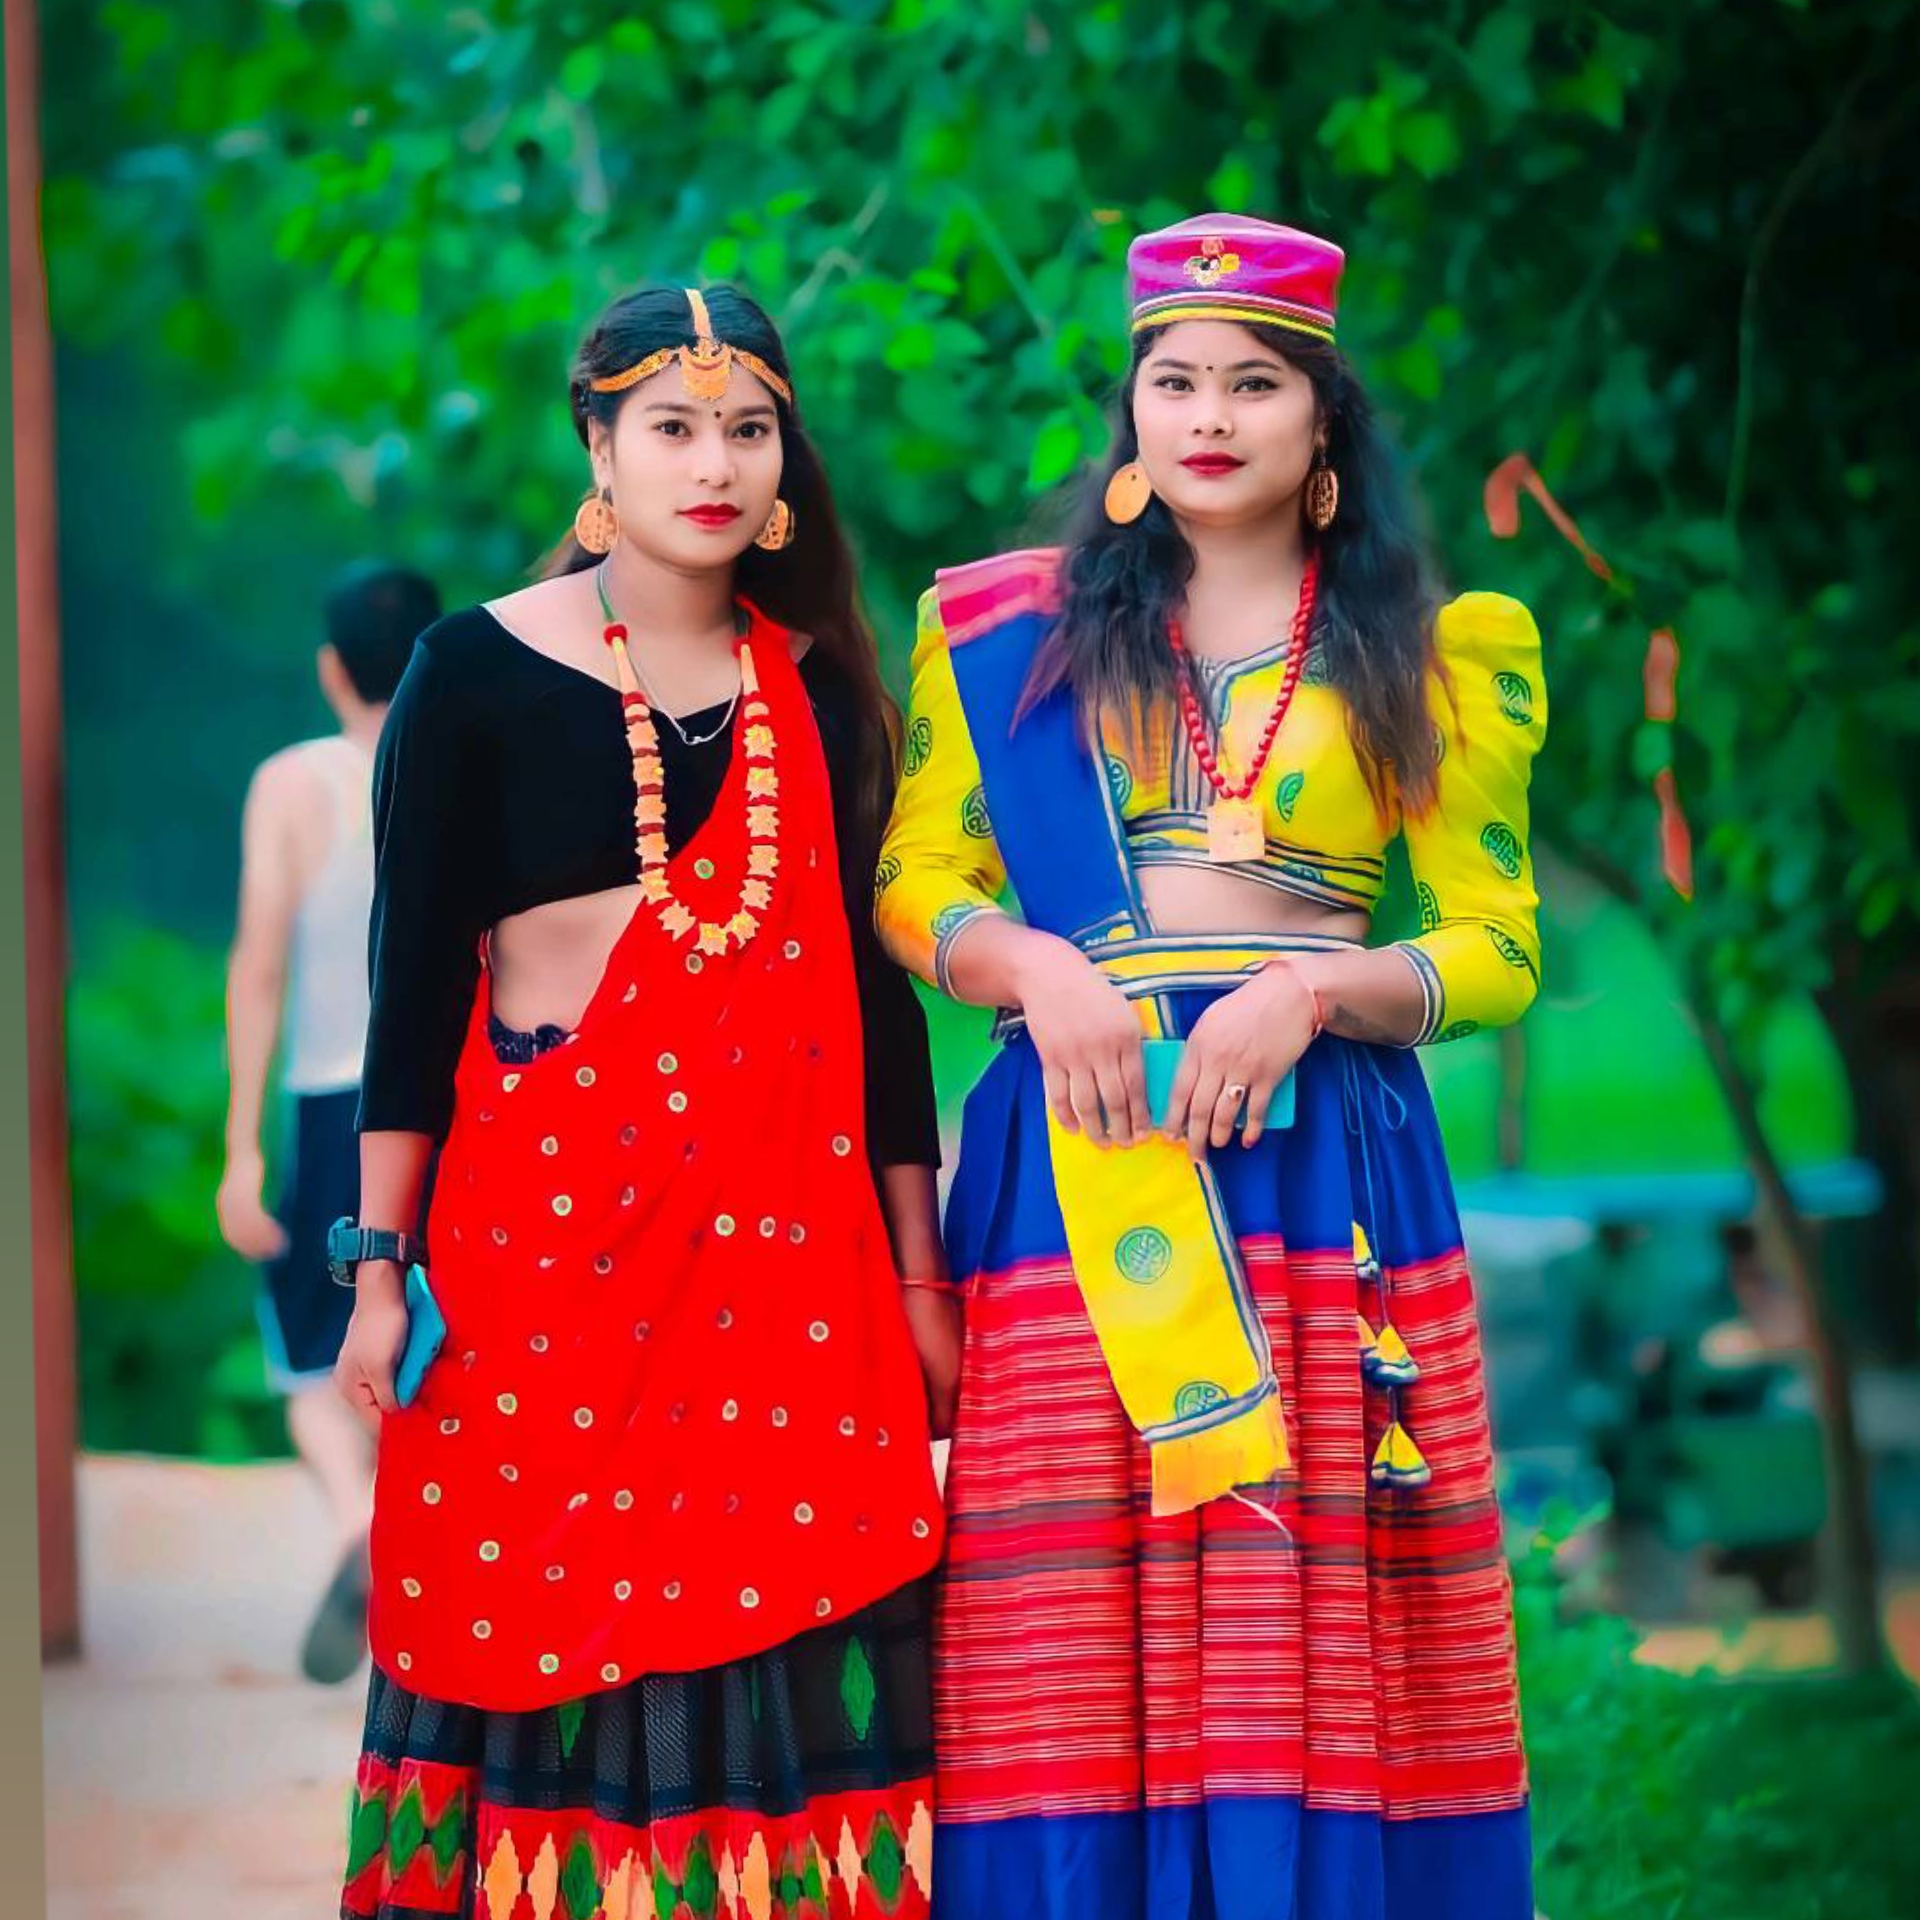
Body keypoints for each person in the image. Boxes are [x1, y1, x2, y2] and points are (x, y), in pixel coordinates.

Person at [877, 215, 1545, 1919]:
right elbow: (914, 883)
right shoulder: (1004, 640)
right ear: (1132, 416)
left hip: (1320, 1168)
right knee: (1064, 1608)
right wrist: (1037, 966)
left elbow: (1497, 946)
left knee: (1302, 1593)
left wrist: (1311, 991)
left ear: (1325, 422)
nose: (1210, 416)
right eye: (1173, 382)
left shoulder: (1441, 650)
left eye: (1254, 383)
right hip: (1080, 1145)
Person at [329, 284, 956, 1920]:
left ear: (786, 466)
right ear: (598, 448)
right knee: (535, 1598)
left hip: (783, 1265)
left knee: (778, 1597)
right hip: (544, 1241)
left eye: (749, 430)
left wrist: (921, 1279)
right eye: (674, 427)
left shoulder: (819, 692)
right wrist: (377, 1269)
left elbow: (875, 1018)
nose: (716, 464)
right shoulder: (470, 673)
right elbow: (412, 991)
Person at [218, 561, 441, 1685]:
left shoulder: (294, 784)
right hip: (452, 1102)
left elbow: (258, 963)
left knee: (311, 1360)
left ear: (329, 668)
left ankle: (362, 1523)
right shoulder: (455, 760)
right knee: (433, 1343)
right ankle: (422, 1543)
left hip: (329, 1106)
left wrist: (239, 1150)